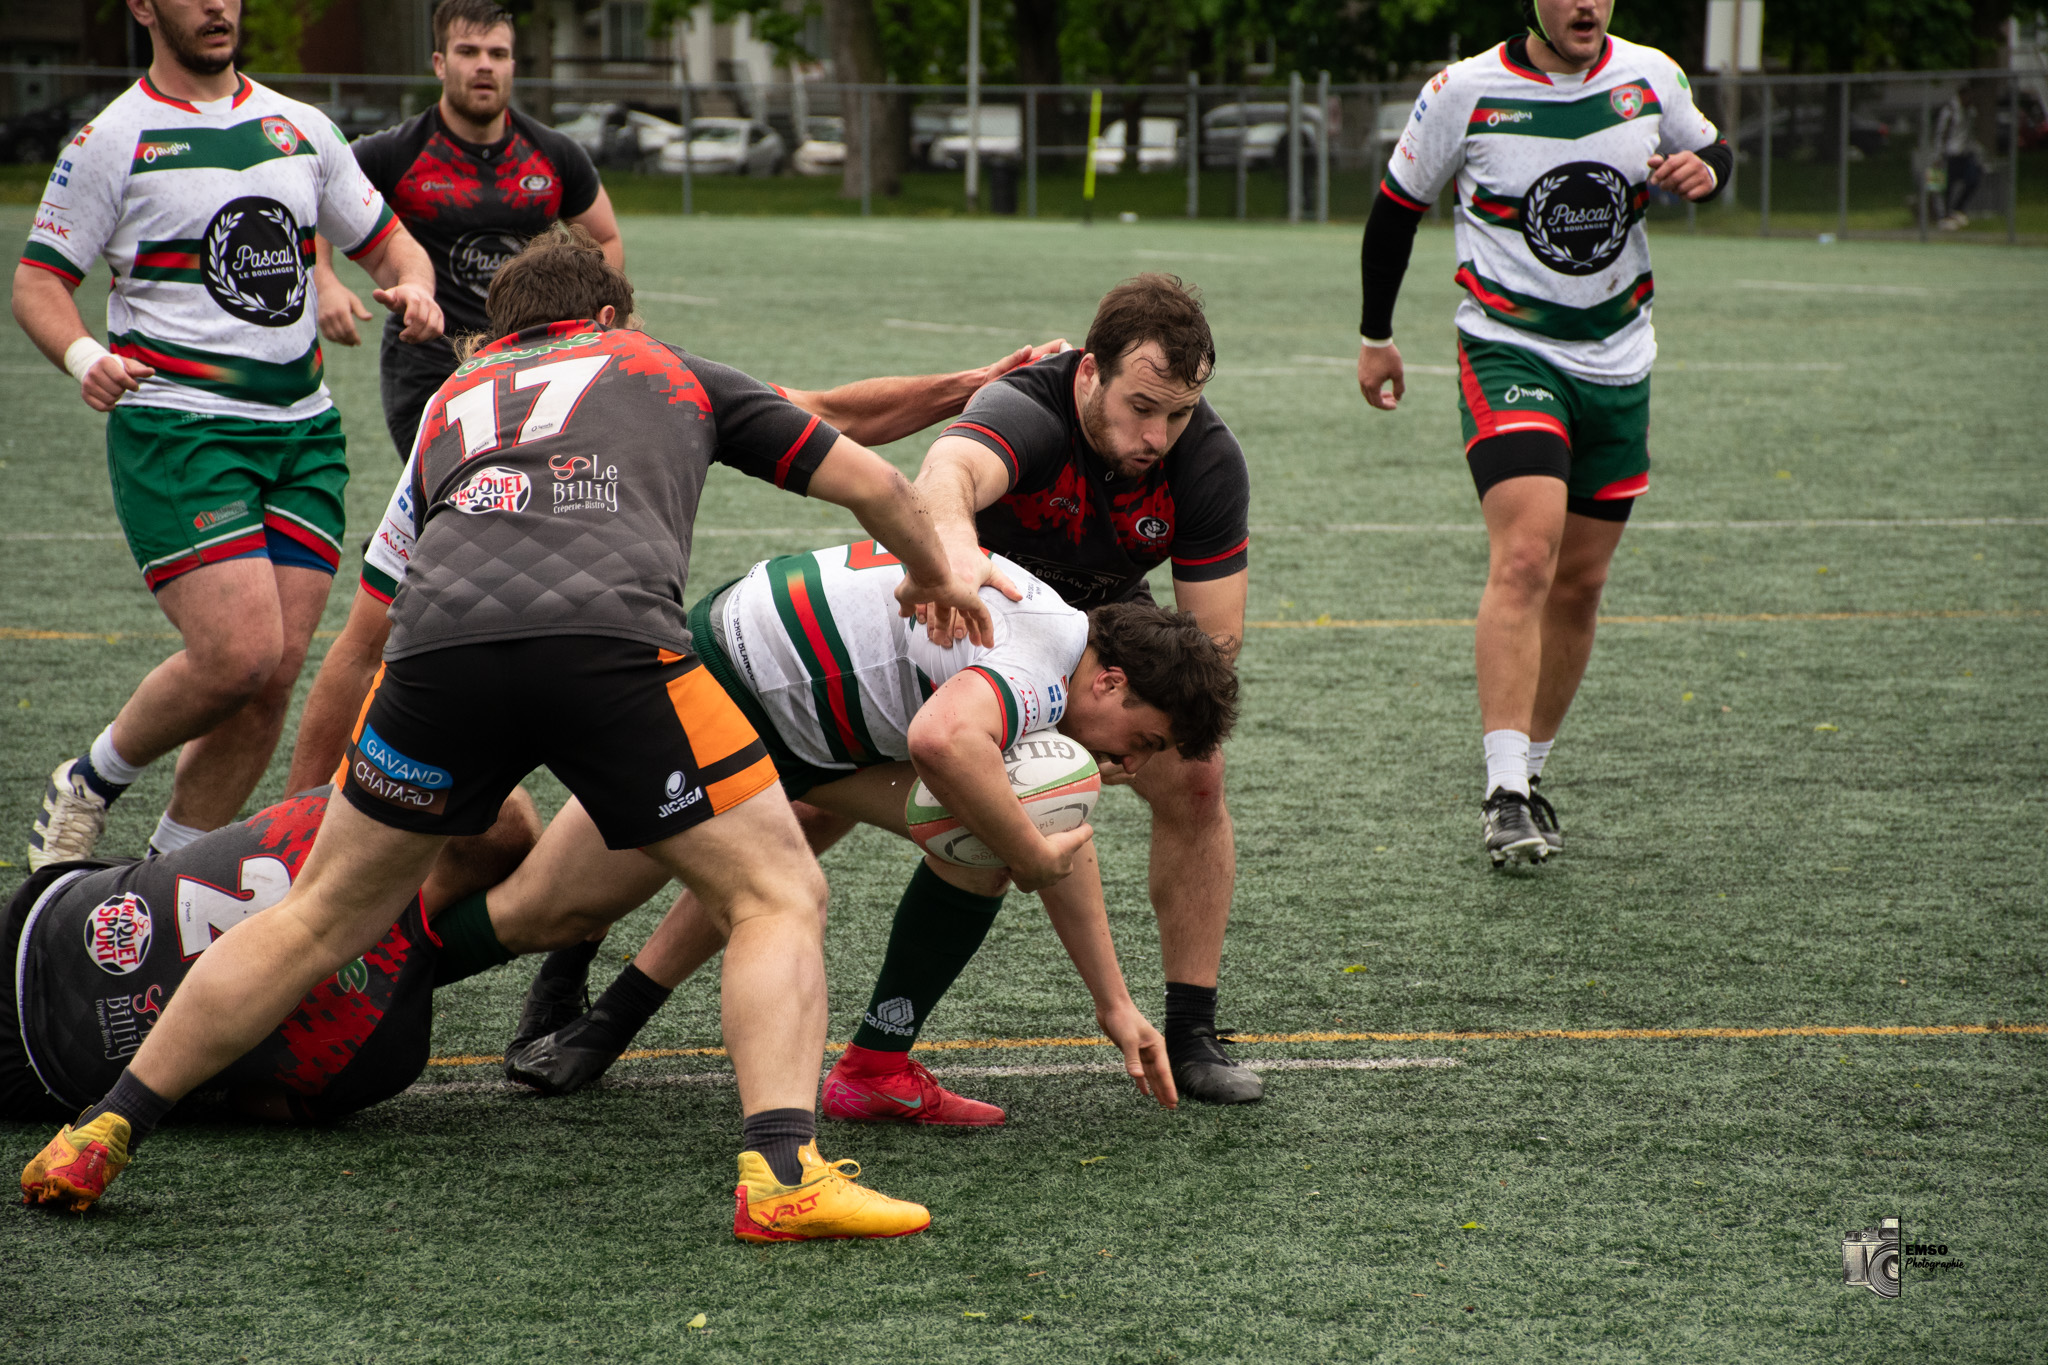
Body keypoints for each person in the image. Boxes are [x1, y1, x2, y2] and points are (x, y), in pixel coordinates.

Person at [19, 225, 997, 1245]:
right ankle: (784, 1173)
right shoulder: (661, 365)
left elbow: (382, 607)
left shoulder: (449, 404)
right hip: (608, 650)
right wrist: (932, 574)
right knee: (773, 892)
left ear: (501, 331)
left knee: (314, 919)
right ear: (612, 316)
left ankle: (104, 1129)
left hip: (434, 665)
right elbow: (873, 482)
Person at [500, 542, 1237, 1124]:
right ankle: (405, 976)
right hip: (726, 687)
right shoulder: (1044, 667)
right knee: (545, 910)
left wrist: (1111, 999)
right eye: (1145, 740)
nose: (1135, 764)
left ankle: (875, 1066)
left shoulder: (1062, 654)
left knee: (983, 826)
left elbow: (1047, 824)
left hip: (797, 716)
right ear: (1109, 682)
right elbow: (946, 742)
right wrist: (1027, 856)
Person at [14, 0, 442, 871]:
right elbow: (37, 284)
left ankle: (166, 876)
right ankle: (90, 782)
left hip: (304, 436)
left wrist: (416, 288)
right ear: (143, 6)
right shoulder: (112, 139)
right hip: (181, 428)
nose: (218, 5)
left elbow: (396, 248)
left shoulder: (301, 127)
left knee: (268, 680)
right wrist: (84, 352)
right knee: (241, 652)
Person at [1354, 0, 1730, 866]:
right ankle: (1504, 793)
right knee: (1528, 554)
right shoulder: (1464, 91)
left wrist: (1709, 168)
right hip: (1507, 350)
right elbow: (1394, 209)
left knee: (1580, 582)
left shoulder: (1651, 75)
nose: (1584, 5)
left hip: (1620, 360)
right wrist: (1376, 336)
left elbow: (1715, 147)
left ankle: (1534, 771)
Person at [906, 274, 1261, 1105]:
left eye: (1177, 413)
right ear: (1089, 371)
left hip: (1098, 643)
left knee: (1197, 770)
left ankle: (1192, 1027)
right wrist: (957, 561)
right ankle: (590, 987)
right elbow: (947, 473)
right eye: (1142, 407)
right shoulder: (1030, 406)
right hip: (972, 625)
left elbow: (1213, 642)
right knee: (796, 802)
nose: (1159, 435)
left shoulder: (1205, 460)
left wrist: (1132, 735)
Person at [3, 786, 546, 1128]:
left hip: (42, 918)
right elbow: (254, 1105)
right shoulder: (392, 1044)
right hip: (48, 1067)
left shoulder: (326, 806)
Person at [310, 0, 623, 457]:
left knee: (526, 494)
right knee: (452, 495)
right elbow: (314, 205)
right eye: (468, 51)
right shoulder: (394, 153)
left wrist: (593, 310)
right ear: (439, 63)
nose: (484, 66)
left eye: (497, 54)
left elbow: (605, 237)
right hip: (429, 362)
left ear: (512, 65)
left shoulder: (554, 155)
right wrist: (325, 280)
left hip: (533, 358)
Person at [1931, 90, 1983, 232]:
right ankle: (1945, 217)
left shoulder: (1971, 111)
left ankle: (1957, 209)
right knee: (1945, 186)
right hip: (1951, 154)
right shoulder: (1950, 111)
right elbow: (1941, 134)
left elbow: (1972, 133)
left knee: (1973, 178)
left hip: (1966, 153)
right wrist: (1937, 156)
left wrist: (1977, 152)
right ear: (1961, 96)